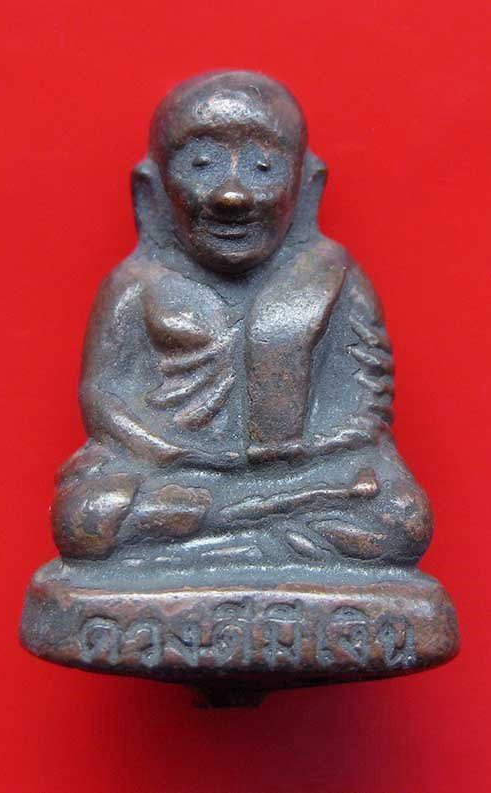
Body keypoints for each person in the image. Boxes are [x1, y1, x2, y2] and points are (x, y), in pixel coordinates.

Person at [51, 70, 432, 568]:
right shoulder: (135, 285)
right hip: (172, 473)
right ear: (153, 189)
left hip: (308, 472)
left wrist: (319, 448)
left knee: (402, 518)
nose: (231, 196)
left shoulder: (335, 278)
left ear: (306, 187)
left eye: (262, 167)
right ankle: (267, 534)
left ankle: (212, 540)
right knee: (86, 516)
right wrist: (175, 452)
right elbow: (104, 397)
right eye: (202, 164)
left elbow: (368, 403)